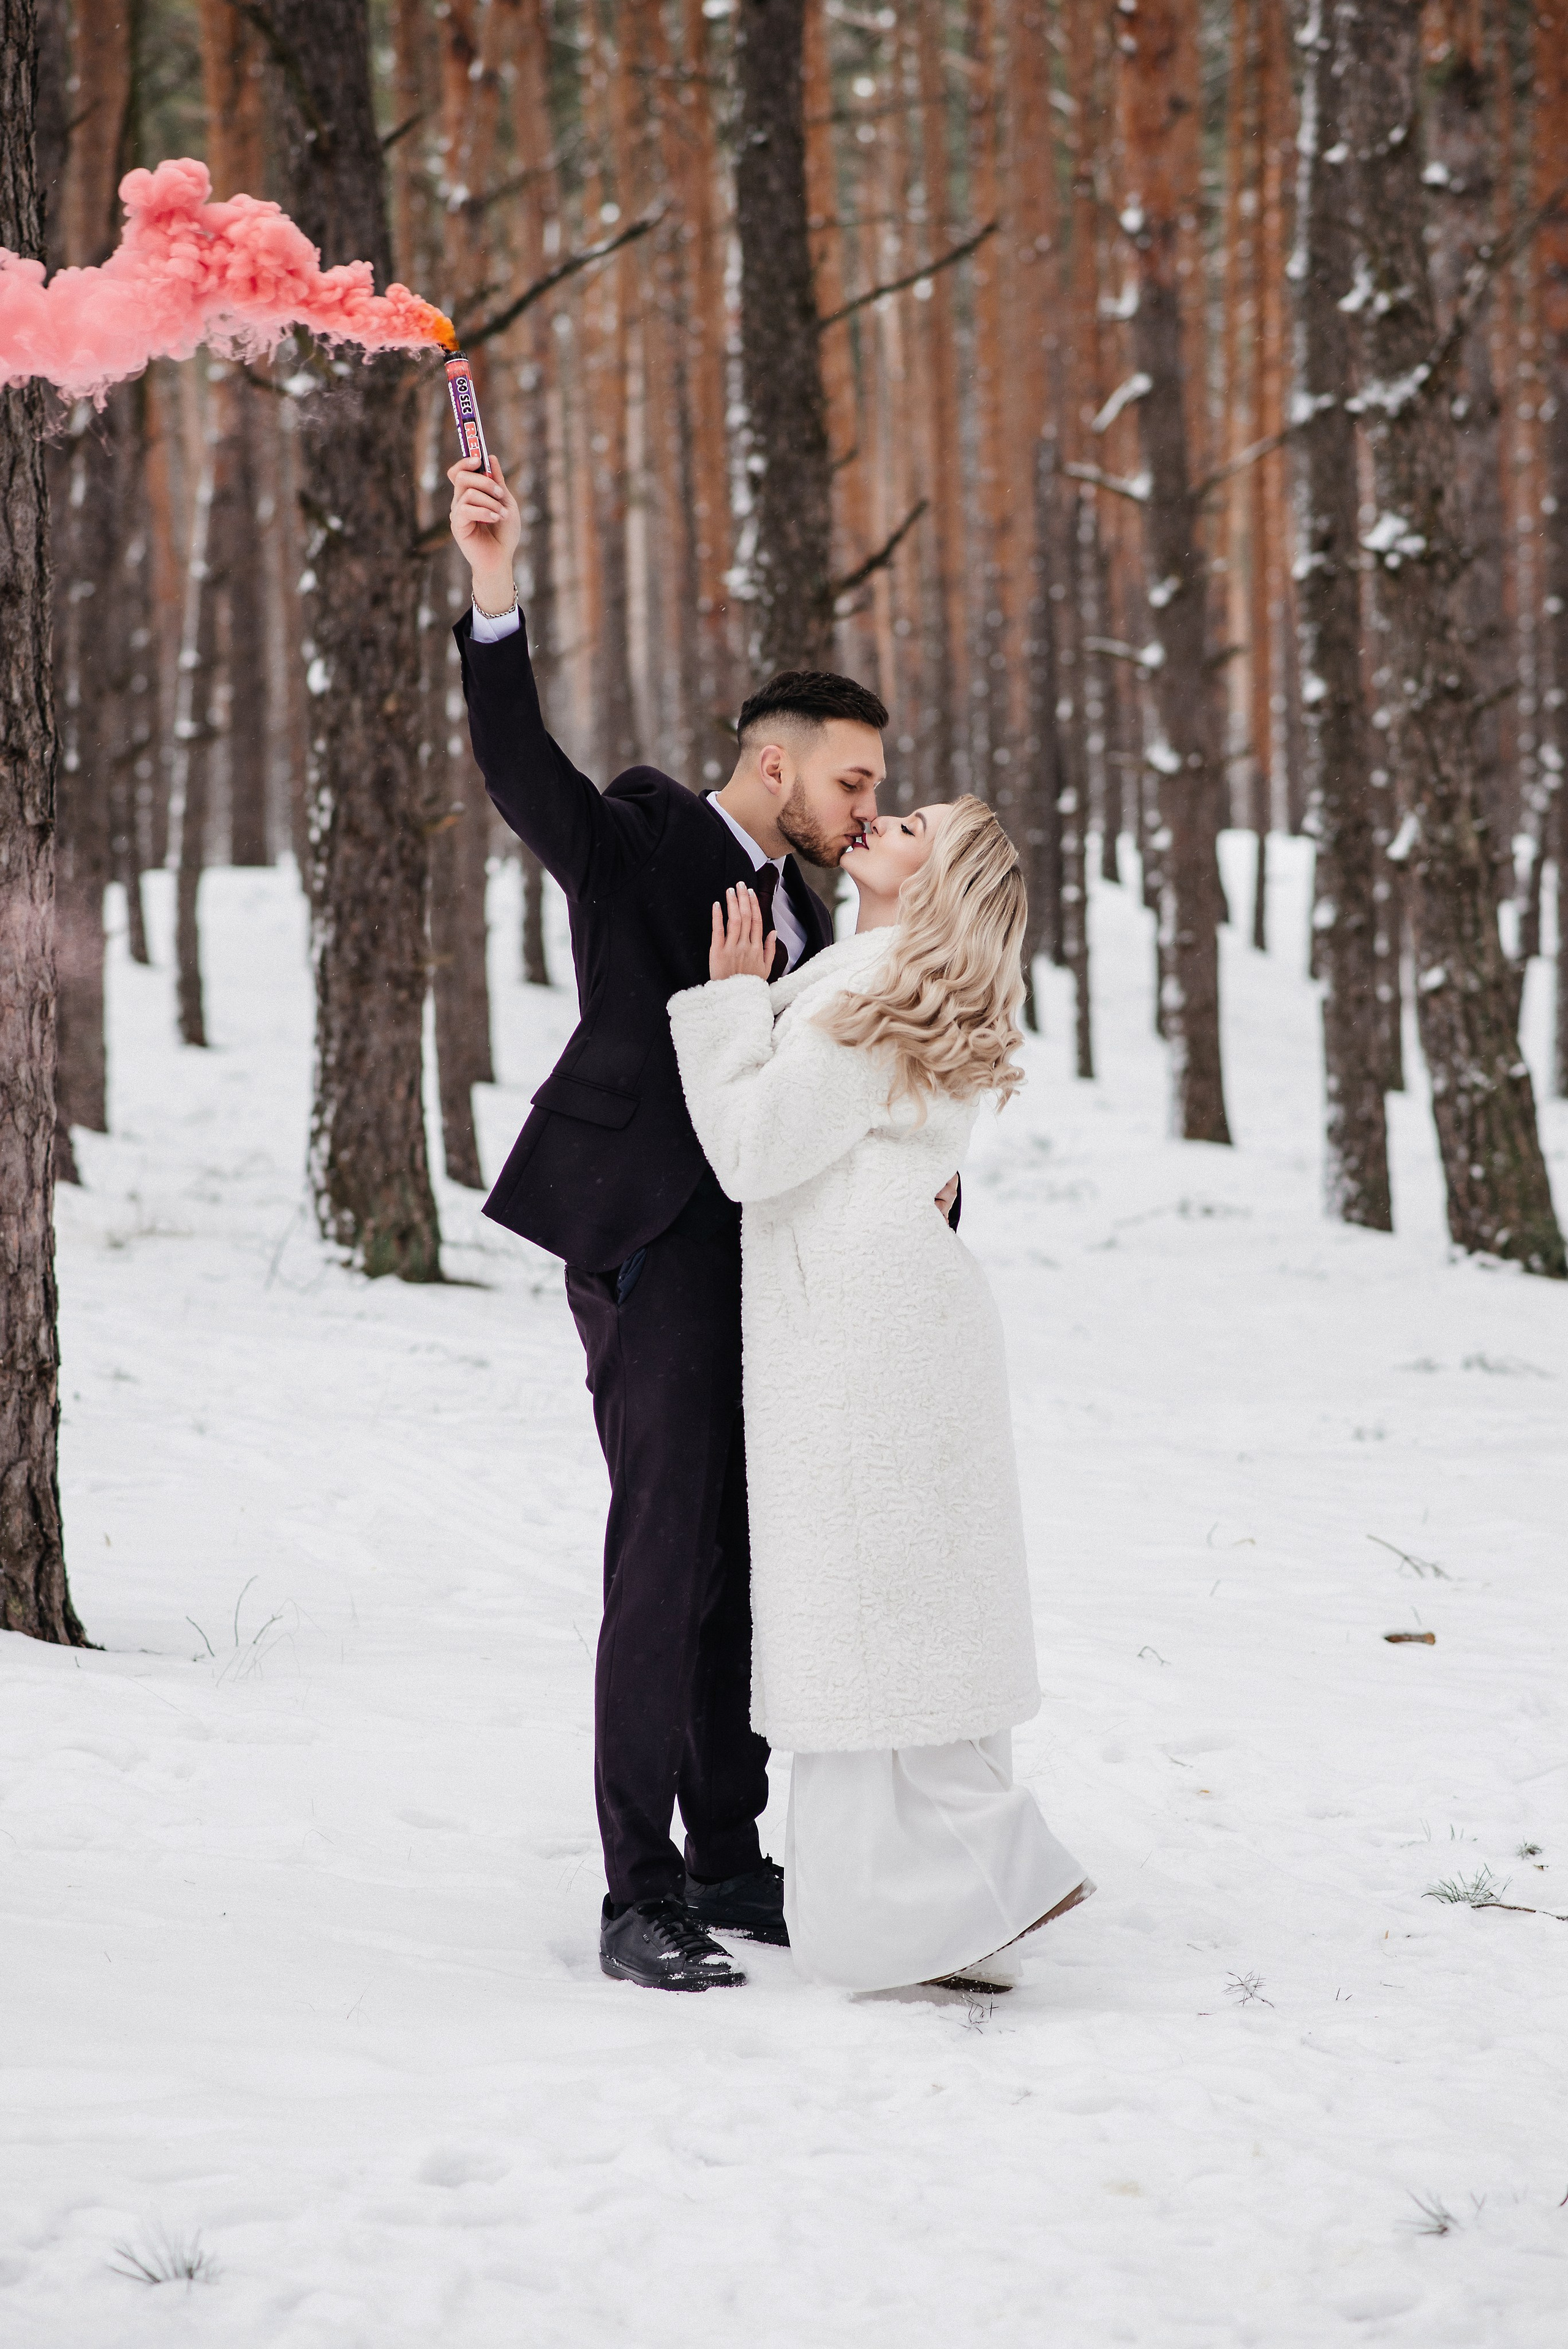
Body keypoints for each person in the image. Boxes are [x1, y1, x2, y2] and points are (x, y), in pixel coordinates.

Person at [447, 449, 898, 1991]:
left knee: (740, 1562)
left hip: (766, 1265)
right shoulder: (644, 841)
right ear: (775, 765)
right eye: (852, 781)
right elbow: (523, 771)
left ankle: (723, 1853)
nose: (866, 806)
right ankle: (636, 1893)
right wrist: (493, 588)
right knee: (660, 1561)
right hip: (650, 1243)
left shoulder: (810, 914)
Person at [668, 798, 1093, 1993]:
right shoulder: (910, 983)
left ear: (937, 875)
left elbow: (753, 1151)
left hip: (857, 1326)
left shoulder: (868, 986)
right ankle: (960, 1897)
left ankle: (972, 1881)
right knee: (906, 1601)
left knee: (861, 1607)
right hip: (903, 1310)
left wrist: (730, 1003)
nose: (875, 822)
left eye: (910, 824)